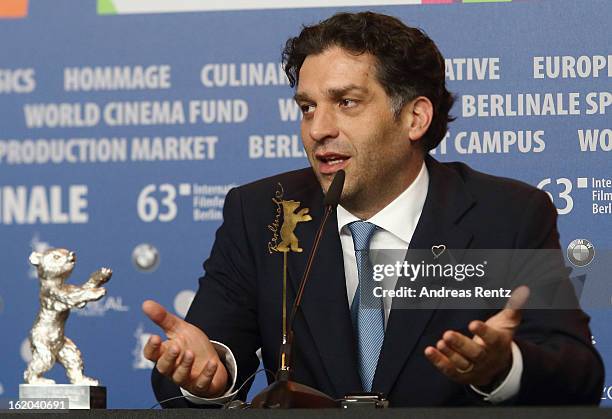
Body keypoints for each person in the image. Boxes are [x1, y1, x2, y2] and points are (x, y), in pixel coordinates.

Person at [143, 12, 603, 407]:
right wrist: (208, 373)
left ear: (414, 118)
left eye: (346, 102)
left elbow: (579, 373)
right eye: (307, 107)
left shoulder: (505, 215)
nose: (318, 129)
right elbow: (201, 358)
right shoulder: (263, 212)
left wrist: (501, 368)